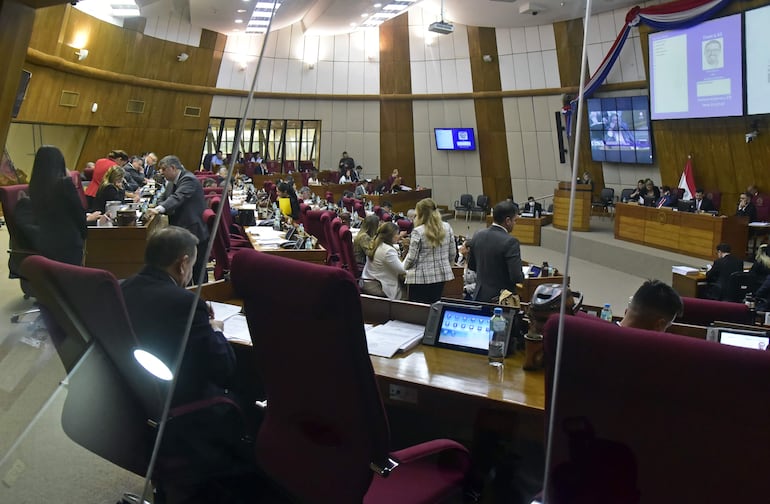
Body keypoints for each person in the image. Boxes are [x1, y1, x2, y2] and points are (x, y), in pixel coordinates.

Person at [120, 226, 256, 498]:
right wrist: (215, 328)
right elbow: (223, 368)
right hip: (180, 404)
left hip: (134, 398)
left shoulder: (123, 287)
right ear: (182, 264)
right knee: (251, 393)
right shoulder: (185, 303)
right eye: (193, 264)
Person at [28, 145, 94, 265]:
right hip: (68, 243)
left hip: (45, 242)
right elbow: (78, 213)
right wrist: (85, 234)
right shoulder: (64, 184)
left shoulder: (33, 187)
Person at [149, 155, 210, 284]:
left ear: (173, 167)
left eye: (163, 169)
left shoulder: (189, 179)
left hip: (194, 229)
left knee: (198, 269)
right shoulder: (172, 182)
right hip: (182, 228)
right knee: (183, 267)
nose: (161, 172)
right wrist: (158, 205)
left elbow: (177, 198)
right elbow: (163, 197)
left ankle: (203, 296)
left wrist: (159, 209)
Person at [467, 201, 524, 302]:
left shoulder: (478, 234)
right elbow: (516, 277)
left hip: (479, 296)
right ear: (507, 220)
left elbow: (472, 266)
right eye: (515, 220)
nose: (515, 224)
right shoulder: (510, 242)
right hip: (501, 299)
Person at [402, 198, 456, 303]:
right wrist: (446, 266)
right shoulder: (447, 227)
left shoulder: (418, 231)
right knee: (434, 308)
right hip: (441, 276)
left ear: (421, 214)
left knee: (419, 311)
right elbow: (452, 253)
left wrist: (403, 268)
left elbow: (412, 258)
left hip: (419, 279)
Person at [361, 221, 406, 300]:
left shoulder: (376, 244)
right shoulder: (388, 250)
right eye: (397, 234)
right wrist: (408, 253)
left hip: (369, 282)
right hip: (381, 286)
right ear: (390, 236)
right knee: (407, 292)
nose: (399, 236)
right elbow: (402, 270)